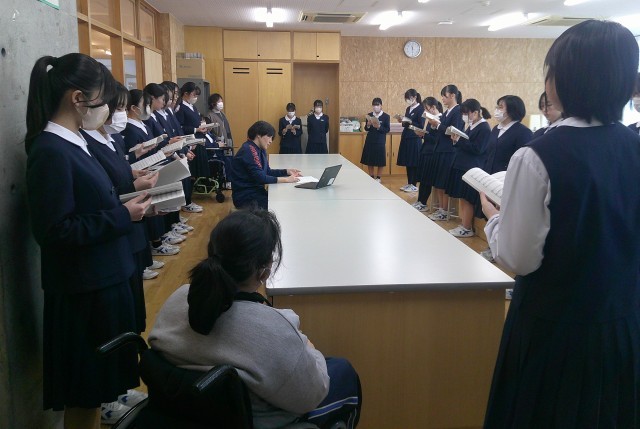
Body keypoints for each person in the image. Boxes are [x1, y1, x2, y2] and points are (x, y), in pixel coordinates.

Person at [480, 20, 640, 427]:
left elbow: (518, 258)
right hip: (623, 323)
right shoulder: (633, 144)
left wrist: (494, 220)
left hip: (554, 333)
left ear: (564, 79)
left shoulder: (538, 155)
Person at [25, 53, 150, 429]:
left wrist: (131, 206)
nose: (107, 110)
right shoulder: (50, 150)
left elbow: (94, 202)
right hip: (83, 291)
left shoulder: (77, 141)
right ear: (78, 98)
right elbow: (54, 231)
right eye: (103, 100)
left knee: (97, 389)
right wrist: (122, 216)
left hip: (104, 279)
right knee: (85, 395)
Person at [149, 209, 361, 429]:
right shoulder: (273, 330)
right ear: (264, 273)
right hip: (254, 420)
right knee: (342, 371)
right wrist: (309, 348)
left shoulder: (177, 299)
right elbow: (312, 395)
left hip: (179, 414)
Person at [478, 94, 533, 261]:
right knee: (490, 212)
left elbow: (522, 160)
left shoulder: (522, 132)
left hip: (507, 180)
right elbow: (488, 153)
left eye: (501, 107)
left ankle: (503, 250)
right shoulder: (496, 129)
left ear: (512, 110)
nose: (497, 110)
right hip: (490, 177)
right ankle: (492, 244)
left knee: (505, 215)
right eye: (497, 106)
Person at [445, 99, 491, 237]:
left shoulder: (484, 128)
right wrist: (456, 140)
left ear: (475, 113)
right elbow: (466, 143)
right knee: (463, 198)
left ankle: (467, 227)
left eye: (466, 113)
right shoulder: (472, 125)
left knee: (467, 199)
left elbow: (478, 149)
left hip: (471, 168)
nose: (464, 116)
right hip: (463, 165)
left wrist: (460, 140)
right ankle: (463, 224)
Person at [230, 121, 301, 209]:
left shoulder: (260, 149)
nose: (271, 141)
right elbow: (261, 178)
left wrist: (286, 171)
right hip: (246, 197)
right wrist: (286, 179)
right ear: (258, 135)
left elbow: (267, 171)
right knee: (280, 206)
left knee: (283, 199)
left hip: (256, 192)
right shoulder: (248, 150)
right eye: (269, 137)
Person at [426, 85, 464, 221]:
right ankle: (441, 209)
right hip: (440, 149)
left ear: (453, 95)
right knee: (438, 182)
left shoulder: (458, 111)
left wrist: (437, 125)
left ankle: (444, 210)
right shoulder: (448, 111)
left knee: (443, 182)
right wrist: (434, 125)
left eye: (444, 96)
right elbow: (442, 129)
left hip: (448, 151)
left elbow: (453, 130)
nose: (442, 98)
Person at [413, 97, 443, 211]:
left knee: (427, 180)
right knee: (422, 178)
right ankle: (420, 201)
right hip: (425, 150)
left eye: (426, 108)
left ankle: (423, 202)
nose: (425, 111)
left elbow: (437, 139)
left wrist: (424, 135)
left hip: (432, 153)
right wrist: (423, 134)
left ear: (433, 107)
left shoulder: (440, 120)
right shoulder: (430, 119)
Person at [396, 89, 425, 192]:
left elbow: (420, 125)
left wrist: (410, 121)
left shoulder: (421, 108)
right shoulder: (408, 108)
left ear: (415, 97)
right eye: (406, 99)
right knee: (408, 161)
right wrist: (402, 120)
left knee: (414, 162)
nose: (408, 100)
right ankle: (409, 183)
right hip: (406, 136)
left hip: (415, 137)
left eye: (409, 98)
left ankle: (414, 184)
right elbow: (405, 124)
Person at [360, 97, 390, 182]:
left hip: (380, 141)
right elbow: (366, 128)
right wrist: (368, 125)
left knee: (380, 160)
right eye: (374, 105)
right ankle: (371, 176)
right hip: (370, 140)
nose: (375, 107)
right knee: (370, 159)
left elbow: (387, 129)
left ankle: (378, 177)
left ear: (381, 106)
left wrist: (379, 127)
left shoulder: (386, 116)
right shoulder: (369, 115)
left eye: (377, 105)